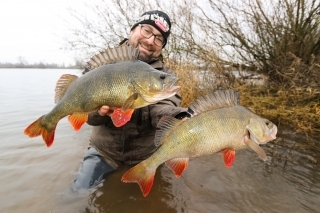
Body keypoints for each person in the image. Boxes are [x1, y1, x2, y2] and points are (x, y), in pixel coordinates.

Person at [72, 10, 191, 191]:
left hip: (145, 157)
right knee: (77, 194)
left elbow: (163, 108)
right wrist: (99, 112)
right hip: (104, 153)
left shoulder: (165, 78)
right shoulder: (104, 65)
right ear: (133, 30)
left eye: (159, 38)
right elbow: (87, 117)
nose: (151, 40)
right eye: (147, 30)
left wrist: (178, 117)